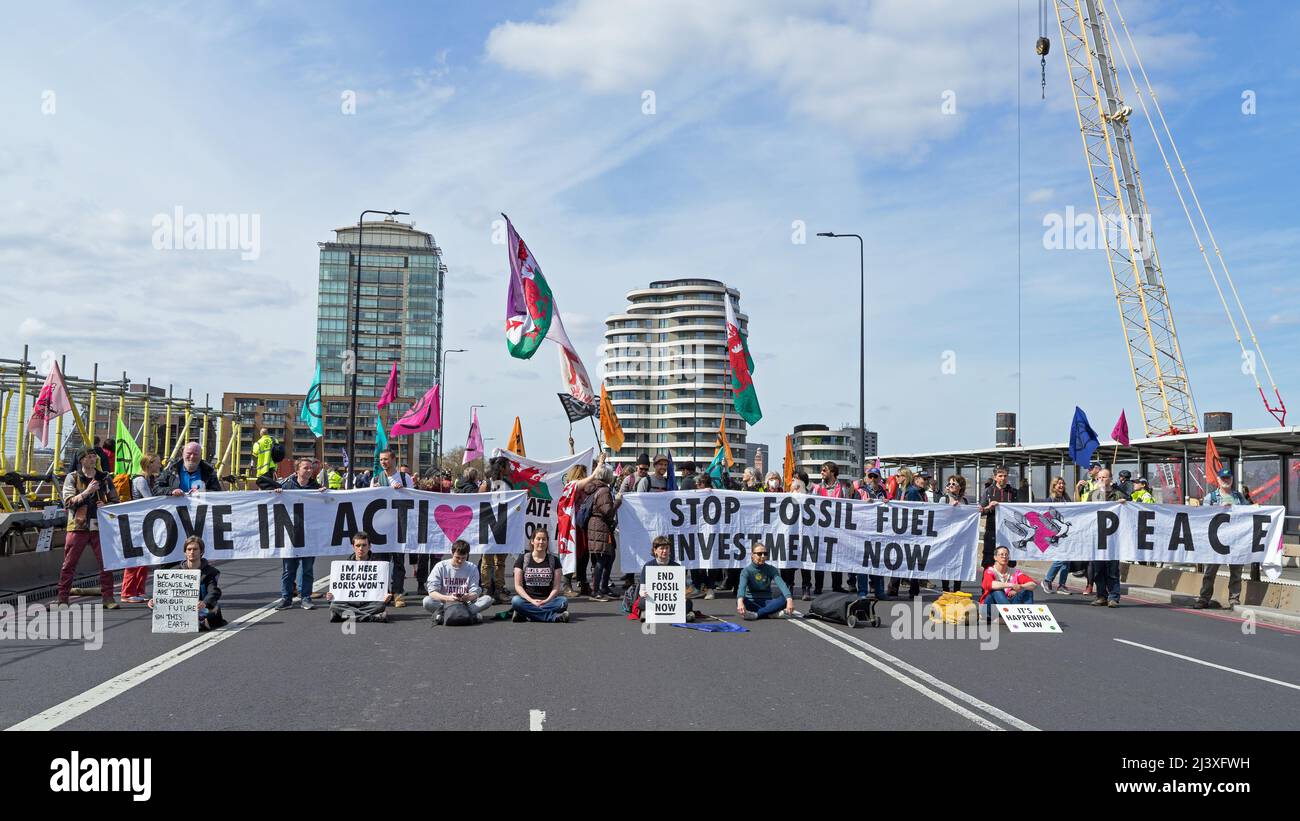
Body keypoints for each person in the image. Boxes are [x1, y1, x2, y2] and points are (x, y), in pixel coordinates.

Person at [57, 447, 121, 608]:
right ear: (81, 460)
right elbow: (68, 502)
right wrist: (87, 492)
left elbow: (116, 501)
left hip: (100, 527)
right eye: (89, 457)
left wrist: (105, 504)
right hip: (77, 526)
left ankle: (108, 598)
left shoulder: (104, 477)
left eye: (94, 457)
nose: (93, 459)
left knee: (106, 563)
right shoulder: (72, 478)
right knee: (69, 564)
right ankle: (63, 598)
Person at [274, 458, 325, 610]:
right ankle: (286, 598)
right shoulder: (287, 486)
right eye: (305, 468)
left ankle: (306, 597)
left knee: (307, 568)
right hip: (290, 533)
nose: (309, 470)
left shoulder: (316, 487)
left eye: (310, 468)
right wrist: (276, 493)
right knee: (289, 569)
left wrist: (323, 494)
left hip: (309, 534)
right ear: (297, 470)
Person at [1195, 467, 1249, 610]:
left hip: (1235, 541)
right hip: (1215, 541)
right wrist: (1219, 507)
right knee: (1210, 572)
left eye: (1228, 478)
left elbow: (1249, 513)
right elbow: (1203, 516)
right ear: (1218, 480)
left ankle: (1234, 600)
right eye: (1223, 478)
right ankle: (1204, 598)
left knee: (1236, 572)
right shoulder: (1211, 498)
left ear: (1231, 480)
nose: (1226, 480)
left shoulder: (1239, 497)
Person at [148, 535, 226, 630]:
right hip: (180, 607)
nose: (192, 552)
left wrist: (204, 603)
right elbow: (165, 591)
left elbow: (214, 591)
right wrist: (155, 600)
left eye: (195, 549)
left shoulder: (211, 571)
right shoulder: (173, 572)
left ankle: (202, 619)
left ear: (201, 552)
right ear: (185, 552)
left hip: (200, 606)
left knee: (212, 607)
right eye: (189, 549)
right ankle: (196, 621)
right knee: (156, 607)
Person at [371, 448, 413, 606]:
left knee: (398, 561)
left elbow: (414, 498)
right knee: (381, 562)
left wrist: (403, 491)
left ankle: (397, 592)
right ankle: (384, 592)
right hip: (380, 526)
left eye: (386, 459)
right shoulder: (376, 479)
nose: (383, 462)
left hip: (399, 525)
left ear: (394, 460)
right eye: (381, 460)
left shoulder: (404, 477)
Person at [120, 452, 163, 603]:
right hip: (137, 524)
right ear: (149, 464)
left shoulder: (148, 479)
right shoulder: (141, 481)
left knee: (144, 557)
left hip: (143, 523)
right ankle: (127, 592)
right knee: (135, 558)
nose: (160, 465)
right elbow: (149, 500)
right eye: (157, 462)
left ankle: (139, 590)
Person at [424, 540, 494, 625]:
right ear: (452, 553)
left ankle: (443, 616)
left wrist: (468, 596)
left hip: (465, 603)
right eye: (457, 557)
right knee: (427, 601)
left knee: (488, 599)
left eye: (463, 558)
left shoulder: (472, 567)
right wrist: (448, 598)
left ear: (467, 555)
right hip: (445, 603)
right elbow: (432, 592)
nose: (460, 561)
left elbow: (475, 591)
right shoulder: (440, 566)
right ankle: (469, 615)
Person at [327, 532, 392, 623]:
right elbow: (338, 590)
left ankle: (343, 616)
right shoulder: (344, 565)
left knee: (380, 606)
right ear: (353, 547)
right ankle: (372, 617)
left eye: (364, 545)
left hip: (368, 603)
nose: (361, 548)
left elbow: (383, 591)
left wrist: (387, 598)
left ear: (369, 546)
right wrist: (331, 597)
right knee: (334, 605)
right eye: (358, 545)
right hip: (350, 603)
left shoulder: (378, 565)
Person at [1088, 468, 1128, 607]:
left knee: (1112, 570)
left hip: (1113, 539)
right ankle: (1101, 596)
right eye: (1099, 478)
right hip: (1097, 538)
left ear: (1110, 479)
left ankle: (1113, 597)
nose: (1102, 480)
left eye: (1104, 477)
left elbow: (1131, 509)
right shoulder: (1092, 495)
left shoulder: (1118, 494)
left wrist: (1125, 503)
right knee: (1098, 569)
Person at [813, 461, 855, 594]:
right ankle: (818, 587)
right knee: (820, 557)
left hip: (837, 529)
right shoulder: (818, 488)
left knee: (836, 556)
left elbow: (848, 505)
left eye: (824, 470)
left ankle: (837, 585)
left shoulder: (842, 488)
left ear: (832, 472)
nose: (822, 473)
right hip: (821, 528)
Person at [511, 530, 570, 623]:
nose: (541, 542)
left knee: (563, 602)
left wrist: (546, 601)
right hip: (527, 600)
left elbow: (556, 587)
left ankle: (525, 614)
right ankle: (554, 618)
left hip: (548, 601)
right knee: (516, 601)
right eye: (538, 539)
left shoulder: (554, 560)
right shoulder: (522, 559)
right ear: (532, 541)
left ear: (547, 542)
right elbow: (518, 586)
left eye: (544, 539)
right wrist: (532, 601)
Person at [637, 536, 696, 622]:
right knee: (642, 602)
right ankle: (647, 611)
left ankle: (651, 613)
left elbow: (683, 588)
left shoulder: (676, 567)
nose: (665, 551)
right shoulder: (648, 566)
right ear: (655, 550)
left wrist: (684, 595)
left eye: (667, 548)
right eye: (661, 548)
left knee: (688, 603)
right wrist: (644, 594)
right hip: (654, 600)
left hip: (672, 600)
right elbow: (642, 590)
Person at [476, 459, 511, 602]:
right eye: (508, 466)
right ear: (502, 468)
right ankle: (486, 590)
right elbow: (478, 504)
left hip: (503, 527)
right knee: (487, 561)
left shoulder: (508, 484)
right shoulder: (487, 484)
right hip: (488, 527)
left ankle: (499, 589)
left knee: (501, 561)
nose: (510, 468)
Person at [584, 464, 620, 601]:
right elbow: (608, 512)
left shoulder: (594, 487)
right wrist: (618, 502)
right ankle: (596, 590)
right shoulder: (604, 490)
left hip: (596, 525)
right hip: (601, 525)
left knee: (607, 557)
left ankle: (602, 587)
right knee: (603, 558)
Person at [736, 539, 794, 620]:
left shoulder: (771, 569)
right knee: (740, 600)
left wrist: (789, 600)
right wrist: (740, 602)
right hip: (752, 601)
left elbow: (782, 585)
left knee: (785, 599)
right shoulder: (746, 571)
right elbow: (741, 588)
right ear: (752, 555)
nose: (763, 556)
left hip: (767, 602)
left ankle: (757, 615)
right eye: (759, 554)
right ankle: (772, 614)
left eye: (765, 554)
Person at [978, 466, 1017, 569]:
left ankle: (1006, 584)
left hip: (1009, 532)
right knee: (989, 560)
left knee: (1009, 561)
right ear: (995, 477)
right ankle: (987, 584)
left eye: (1005, 476)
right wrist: (989, 506)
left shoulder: (1013, 492)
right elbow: (980, 512)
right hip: (992, 530)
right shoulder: (988, 491)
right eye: (1000, 476)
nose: (1003, 478)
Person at [979, 546, 1037, 614]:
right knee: (997, 591)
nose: (1004, 557)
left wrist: (1020, 587)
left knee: (1027, 590)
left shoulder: (1015, 572)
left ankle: (1028, 616)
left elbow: (1033, 584)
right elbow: (990, 584)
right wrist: (1012, 585)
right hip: (990, 608)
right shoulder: (989, 571)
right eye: (1001, 554)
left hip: (1007, 605)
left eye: (1006, 555)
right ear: (995, 557)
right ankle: (1009, 615)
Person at [1041, 476, 1075, 594]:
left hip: (1066, 534)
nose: (1061, 486)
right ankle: (1047, 580)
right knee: (1061, 558)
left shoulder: (1067, 499)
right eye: (1058, 483)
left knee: (1067, 559)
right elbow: (1045, 517)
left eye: (1063, 483)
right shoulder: (1049, 500)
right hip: (1055, 534)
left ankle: (1062, 585)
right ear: (1054, 486)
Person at [155, 442, 224, 496]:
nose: (192, 457)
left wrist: (204, 492)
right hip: (177, 512)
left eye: (195, 454)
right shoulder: (171, 470)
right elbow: (156, 489)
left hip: (200, 511)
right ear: (183, 454)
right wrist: (171, 491)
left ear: (200, 456)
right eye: (189, 453)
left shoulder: (209, 472)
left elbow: (217, 493)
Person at [939, 475, 969, 593]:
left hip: (960, 538)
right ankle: (945, 589)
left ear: (960, 487)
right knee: (946, 564)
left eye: (954, 484)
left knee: (959, 564)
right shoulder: (944, 499)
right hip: (947, 537)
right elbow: (940, 516)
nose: (950, 486)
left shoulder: (965, 501)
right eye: (949, 484)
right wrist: (950, 509)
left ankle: (957, 590)